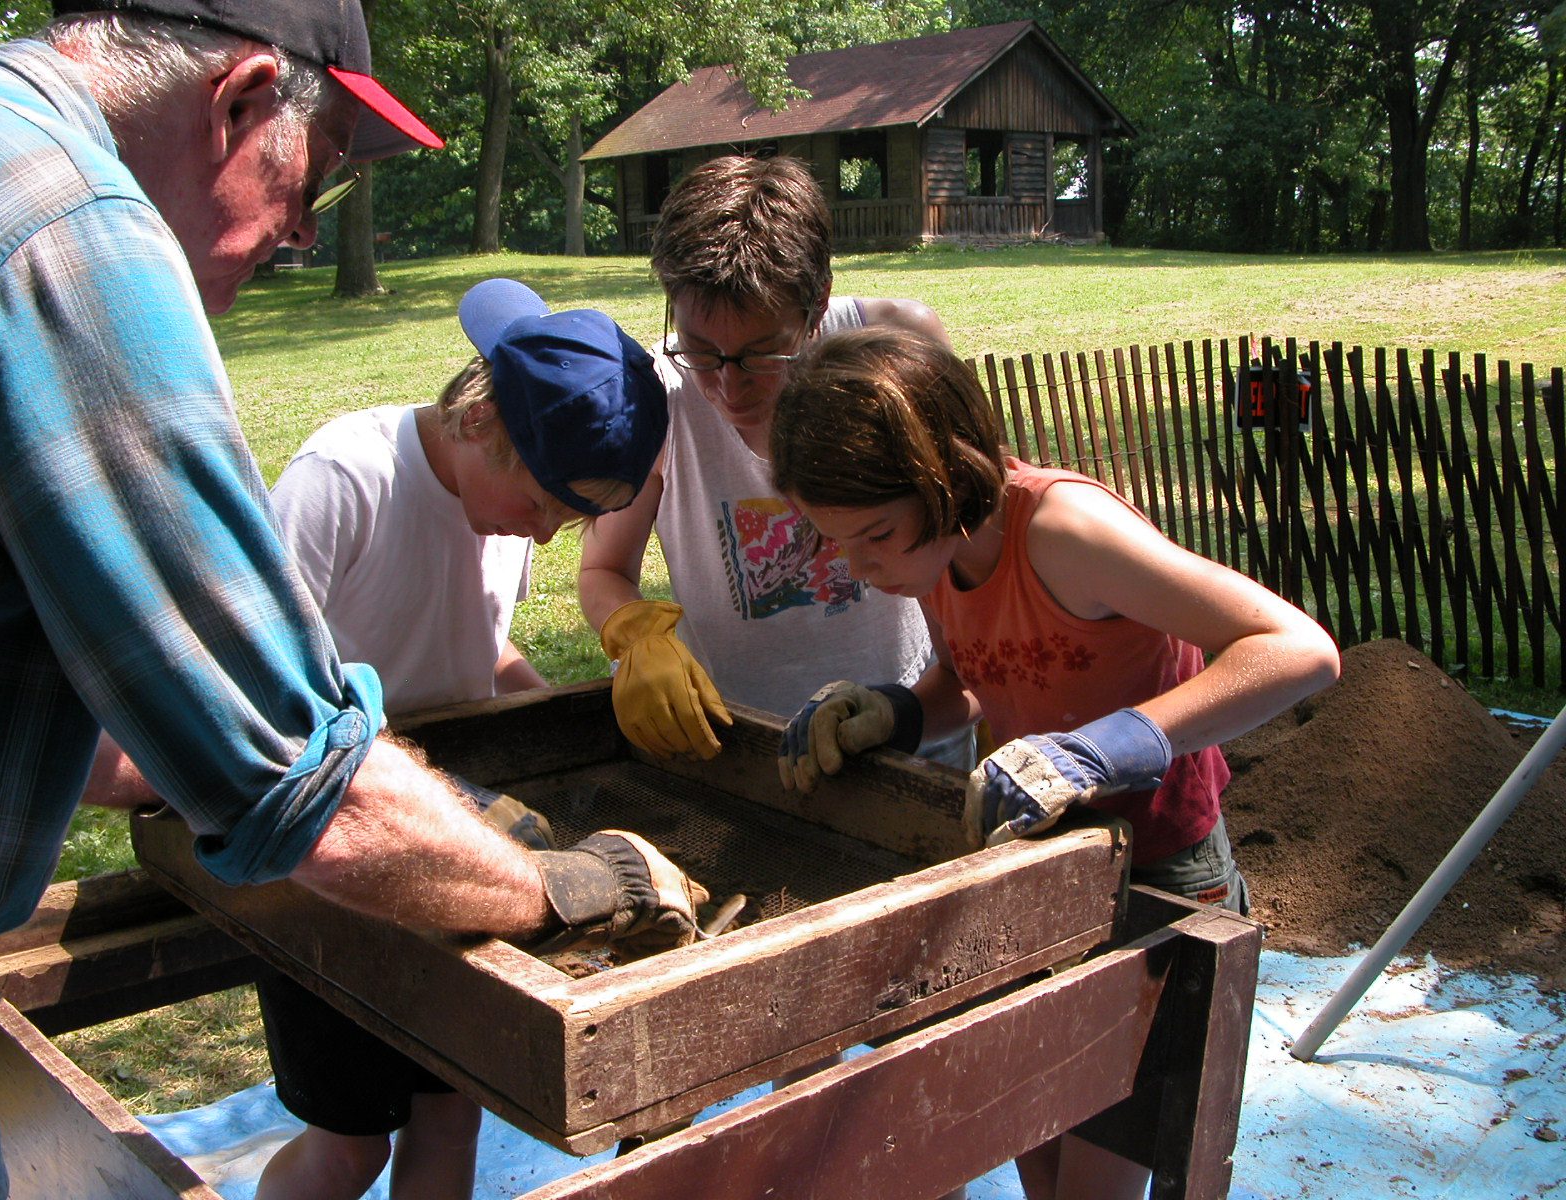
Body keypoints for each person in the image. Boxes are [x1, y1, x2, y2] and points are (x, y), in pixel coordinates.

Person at [0, 6, 701, 1195]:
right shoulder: (77, 232)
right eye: (323, 172)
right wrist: (567, 885)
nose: (306, 232)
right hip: (352, 880)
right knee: (353, 1134)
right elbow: (288, 777)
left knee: (449, 1121)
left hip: (400, 848)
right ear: (242, 100)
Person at [770, 327, 1341, 1200]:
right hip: (1043, 868)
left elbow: (1298, 651)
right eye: (837, 542)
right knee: (1031, 1141)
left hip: (1158, 875)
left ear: (941, 477)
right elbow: (977, 679)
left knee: (1097, 1175)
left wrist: (1112, 744)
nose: (859, 565)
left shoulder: (1067, 532)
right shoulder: (937, 552)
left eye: (874, 534)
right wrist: (899, 712)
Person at [252, 276, 667, 1200]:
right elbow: (252, 689)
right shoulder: (344, 480)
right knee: (350, 1146)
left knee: (454, 1108)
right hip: (335, 856)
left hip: (454, 837)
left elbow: (473, 647)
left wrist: (579, 711)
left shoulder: (504, 506)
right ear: (482, 418)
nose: (550, 535)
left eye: (573, 517)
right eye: (544, 505)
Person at [577, 153, 974, 771]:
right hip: (742, 746)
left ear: (818, 306)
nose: (728, 389)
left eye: (763, 353)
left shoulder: (899, 349)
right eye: (701, 351)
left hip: (911, 733)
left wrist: (931, 700)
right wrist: (634, 636)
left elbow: (969, 538)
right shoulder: (660, 397)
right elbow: (603, 567)